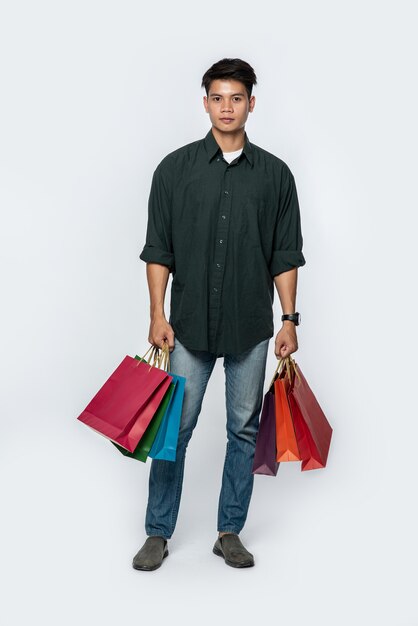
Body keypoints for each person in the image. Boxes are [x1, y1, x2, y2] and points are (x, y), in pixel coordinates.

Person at [133, 58, 306, 570]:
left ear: (251, 103)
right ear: (204, 101)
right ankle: (157, 533)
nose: (226, 107)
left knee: (244, 431)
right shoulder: (174, 169)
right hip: (185, 328)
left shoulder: (276, 176)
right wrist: (156, 314)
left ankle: (229, 530)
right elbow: (158, 250)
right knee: (174, 432)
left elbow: (285, 254)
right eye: (217, 97)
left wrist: (289, 321)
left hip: (251, 327)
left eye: (236, 98)